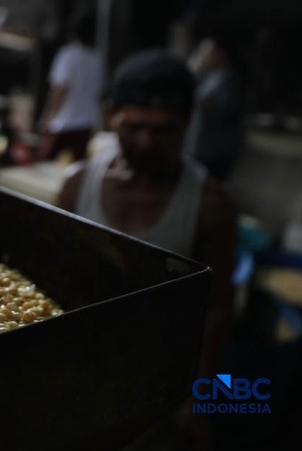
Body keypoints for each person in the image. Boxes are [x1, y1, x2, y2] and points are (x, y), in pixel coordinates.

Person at [57, 49, 238, 446]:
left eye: (164, 130)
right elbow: (52, 278)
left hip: (160, 382)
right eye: (133, 127)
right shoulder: (78, 184)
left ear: (188, 124)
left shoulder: (208, 204)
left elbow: (217, 308)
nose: (146, 142)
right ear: (111, 117)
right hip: (81, 369)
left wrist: (199, 397)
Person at [38, 11, 104, 161]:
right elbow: (99, 94)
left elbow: (60, 90)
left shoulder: (67, 55)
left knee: (46, 165)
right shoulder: (97, 59)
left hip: (64, 124)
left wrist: (46, 119)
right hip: (86, 124)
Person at [185, 35, 244, 180]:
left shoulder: (229, 78)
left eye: (209, 53)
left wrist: (202, 103)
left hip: (216, 149)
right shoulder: (210, 76)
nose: (206, 57)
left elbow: (226, 109)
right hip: (200, 146)